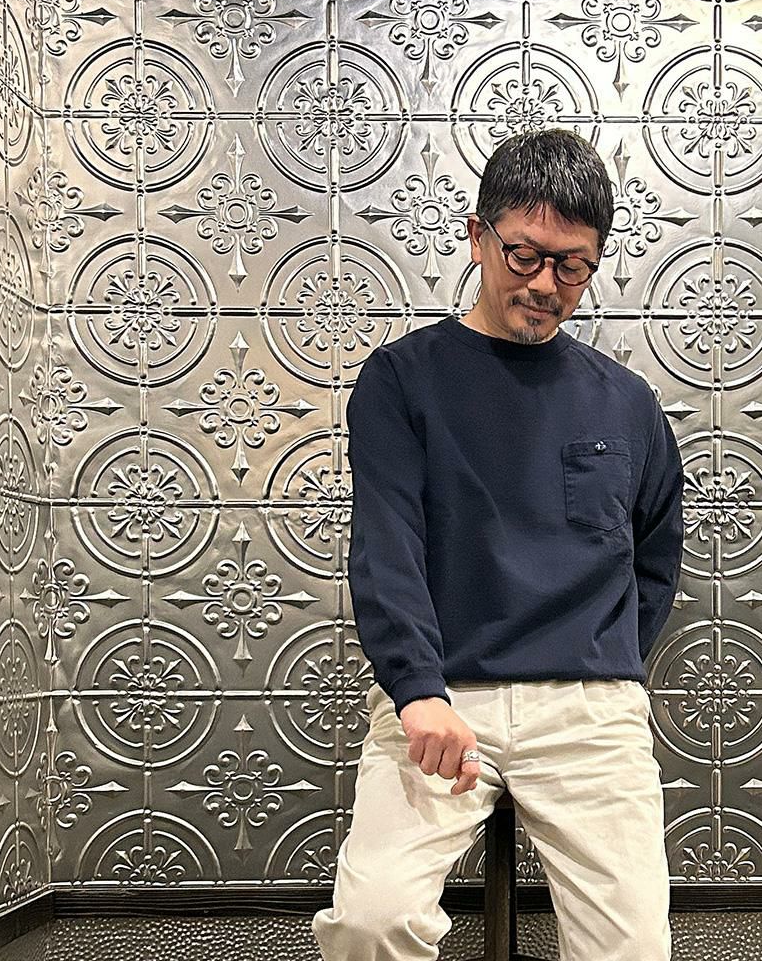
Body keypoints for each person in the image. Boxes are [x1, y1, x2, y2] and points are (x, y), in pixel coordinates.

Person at [311, 128, 685, 961]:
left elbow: (655, 556)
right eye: (525, 255)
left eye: (573, 266)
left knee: (633, 950)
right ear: (479, 236)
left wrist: (603, 660)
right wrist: (417, 690)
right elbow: (387, 550)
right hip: (440, 695)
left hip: (588, 708)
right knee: (372, 921)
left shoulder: (627, 403)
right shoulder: (402, 380)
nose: (545, 284)